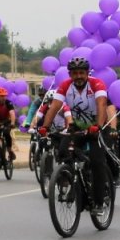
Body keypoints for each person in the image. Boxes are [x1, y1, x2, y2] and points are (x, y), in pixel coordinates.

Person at [38, 57, 112, 213]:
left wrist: (98, 126)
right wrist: (45, 126)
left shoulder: (96, 84)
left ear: (87, 73)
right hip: (77, 127)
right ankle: (73, 180)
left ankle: (98, 202)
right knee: (64, 152)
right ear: (70, 74)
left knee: (97, 161)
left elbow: (101, 104)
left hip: (96, 127)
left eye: (81, 73)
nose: (78, 76)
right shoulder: (65, 86)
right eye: (75, 73)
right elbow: (54, 107)